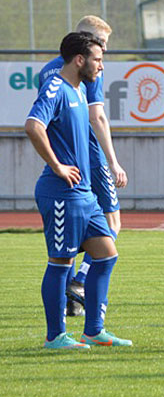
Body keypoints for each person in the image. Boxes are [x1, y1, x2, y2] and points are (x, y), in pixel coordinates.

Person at [26, 31, 131, 349]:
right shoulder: (56, 87)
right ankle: (55, 336)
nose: (101, 66)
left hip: (84, 195)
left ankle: (93, 330)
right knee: (60, 262)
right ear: (80, 59)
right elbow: (33, 125)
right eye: (98, 59)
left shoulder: (79, 90)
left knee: (106, 255)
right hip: (61, 193)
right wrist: (57, 166)